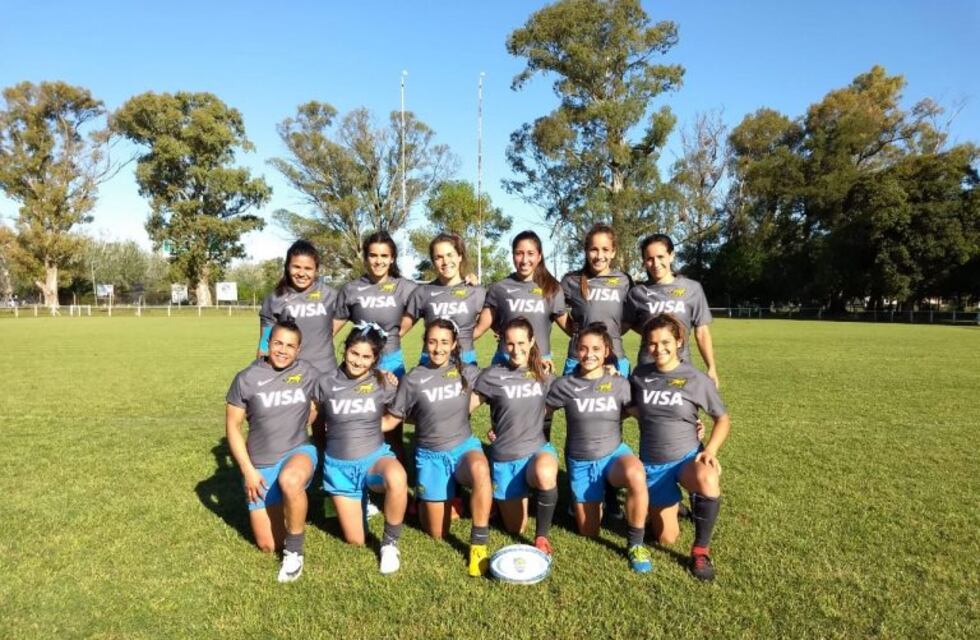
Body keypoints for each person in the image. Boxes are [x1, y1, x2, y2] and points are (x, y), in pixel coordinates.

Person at [386, 318, 493, 577]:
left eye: (445, 342)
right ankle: (428, 498)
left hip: (463, 448)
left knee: (480, 469)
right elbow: (393, 419)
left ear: (454, 344)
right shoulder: (412, 379)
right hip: (430, 455)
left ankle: (478, 544)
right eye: (432, 342)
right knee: (436, 532)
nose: (438, 348)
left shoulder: (467, 371)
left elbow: (499, 388)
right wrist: (350, 425)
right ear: (424, 343)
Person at [628, 313, 730, 581]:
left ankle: (700, 550)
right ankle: (675, 507)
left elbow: (722, 419)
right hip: (653, 463)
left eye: (665, 342)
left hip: (686, 458)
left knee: (708, 477)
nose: (658, 349)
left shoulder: (696, 378)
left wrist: (710, 450)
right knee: (666, 539)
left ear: (678, 341)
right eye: (652, 343)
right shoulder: (639, 375)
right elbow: (630, 406)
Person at [545, 323, 652, 573]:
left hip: (614, 455)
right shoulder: (564, 385)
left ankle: (636, 544)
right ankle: (592, 497)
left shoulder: (619, 383)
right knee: (588, 531)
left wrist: (690, 424)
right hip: (581, 461)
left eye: (595, 348)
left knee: (636, 473)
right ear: (576, 352)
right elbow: (539, 413)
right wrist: (504, 428)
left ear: (606, 351)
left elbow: (644, 415)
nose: (588, 354)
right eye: (582, 349)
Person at [226, 320, 319, 583]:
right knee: (268, 546)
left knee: (290, 481)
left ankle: (295, 554)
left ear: (299, 350)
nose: (283, 350)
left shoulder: (308, 372)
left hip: (298, 452)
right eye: (278, 343)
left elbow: (335, 390)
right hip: (261, 465)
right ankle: (294, 510)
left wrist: (309, 416)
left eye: (290, 346)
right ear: (268, 343)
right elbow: (232, 427)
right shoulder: (246, 378)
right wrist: (248, 472)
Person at [313, 323, 408, 574]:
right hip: (338, 467)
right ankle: (361, 502)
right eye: (354, 353)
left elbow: (398, 413)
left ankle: (389, 545)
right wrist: (324, 456)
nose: (358, 361)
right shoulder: (325, 383)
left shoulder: (383, 383)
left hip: (373, 461)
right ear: (345, 349)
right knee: (356, 541)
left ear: (375, 359)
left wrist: (384, 421)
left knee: (397, 477)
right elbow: (317, 424)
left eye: (366, 357)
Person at [471, 317, 558, 555]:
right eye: (509, 344)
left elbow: (575, 392)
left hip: (536, 451)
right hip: (505, 456)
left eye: (521, 343)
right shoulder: (491, 375)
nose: (516, 349)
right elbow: (464, 410)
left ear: (531, 341)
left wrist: (608, 371)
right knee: (515, 526)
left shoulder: (543, 373)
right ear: (502, 344)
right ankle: (499, 503)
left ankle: (541, 537)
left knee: (546, 472)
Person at [335, 231, 418, 463]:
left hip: (392, 363)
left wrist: (468, 279)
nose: (378, 260)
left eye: (384, 255)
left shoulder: (406, 287)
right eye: (373, 255)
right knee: (360, 428)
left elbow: (435, 295)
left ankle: (396, 487)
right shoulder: (351, 289)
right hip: (359, 365)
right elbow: (329, 329)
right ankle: (365, 486)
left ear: (392, 258)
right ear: (365, 257)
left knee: (392, 430)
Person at [625, 234, 720, 387]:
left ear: (671, 256)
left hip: (681, 366)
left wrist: (712, 368)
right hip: (647, 368)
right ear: (644, 261)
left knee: (681, 410)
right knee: (648, 410)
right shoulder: (637, 293)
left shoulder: (692, 289)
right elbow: (625, 324)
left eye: (661, 256)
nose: (655, 263)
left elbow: (702, 332)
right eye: (649, 259)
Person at [476, 230, 567, 372]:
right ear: (512, 255)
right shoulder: (499, 288)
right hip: (505, 361)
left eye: (530, 253)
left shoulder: (552, 288)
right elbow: (481, 327)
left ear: (539, 256)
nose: (524, 260)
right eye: (519, 253)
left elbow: (570, 328)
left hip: (539, 363)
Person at [559, 224, 633, 376]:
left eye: (605, 250)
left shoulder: (624, 280)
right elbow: (554, 308)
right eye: (594, 249)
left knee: (620, 400)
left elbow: (633, 314)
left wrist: (616, 331)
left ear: (613, 252)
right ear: (586, 252)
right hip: (579, 358)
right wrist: (574, 331)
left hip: (615, 356)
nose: (599, 256)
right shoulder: (571, 280)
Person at [403, 232, 486, 366]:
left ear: (459, 256)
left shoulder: (476, 292)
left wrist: (465, 339)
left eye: (450, 255)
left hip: (465, 362)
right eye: (439, 257)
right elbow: (400, 330)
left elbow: (498, 325)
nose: (445, 261)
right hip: (430, 363)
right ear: (433, 261)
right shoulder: (422, 292)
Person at [257, 240, 339, 374]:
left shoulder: (331, 295)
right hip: (289, 373)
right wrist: (261, 373)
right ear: (287, 267)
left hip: (325, 372)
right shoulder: (274, 299)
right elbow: (265, 344)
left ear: (316, 270)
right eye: (296, 267)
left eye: (308, 268)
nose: (301, 273)